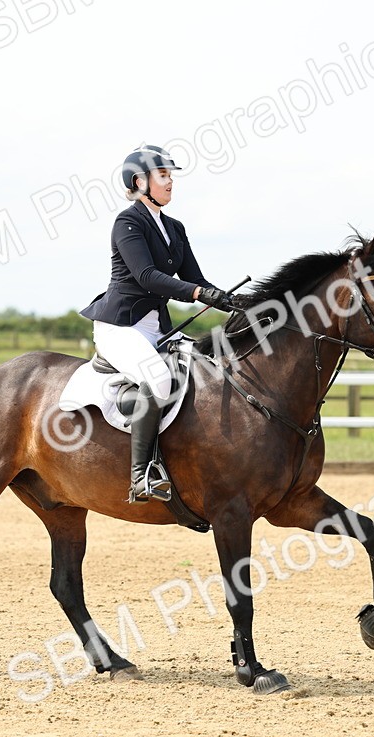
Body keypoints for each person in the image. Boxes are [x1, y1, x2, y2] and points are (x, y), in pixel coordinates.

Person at [80, 144, 236, 503]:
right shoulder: (128, 222)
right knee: (158, 377)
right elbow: (147, 276)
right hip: (120, 326)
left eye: (170, 176)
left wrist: (232, 302)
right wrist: (199, 294)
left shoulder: (175, 228)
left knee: (207, 369)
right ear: (140, 181)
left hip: (157, 327)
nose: (170, 183)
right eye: (163, 176)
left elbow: (196, 278)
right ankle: (140, 476)